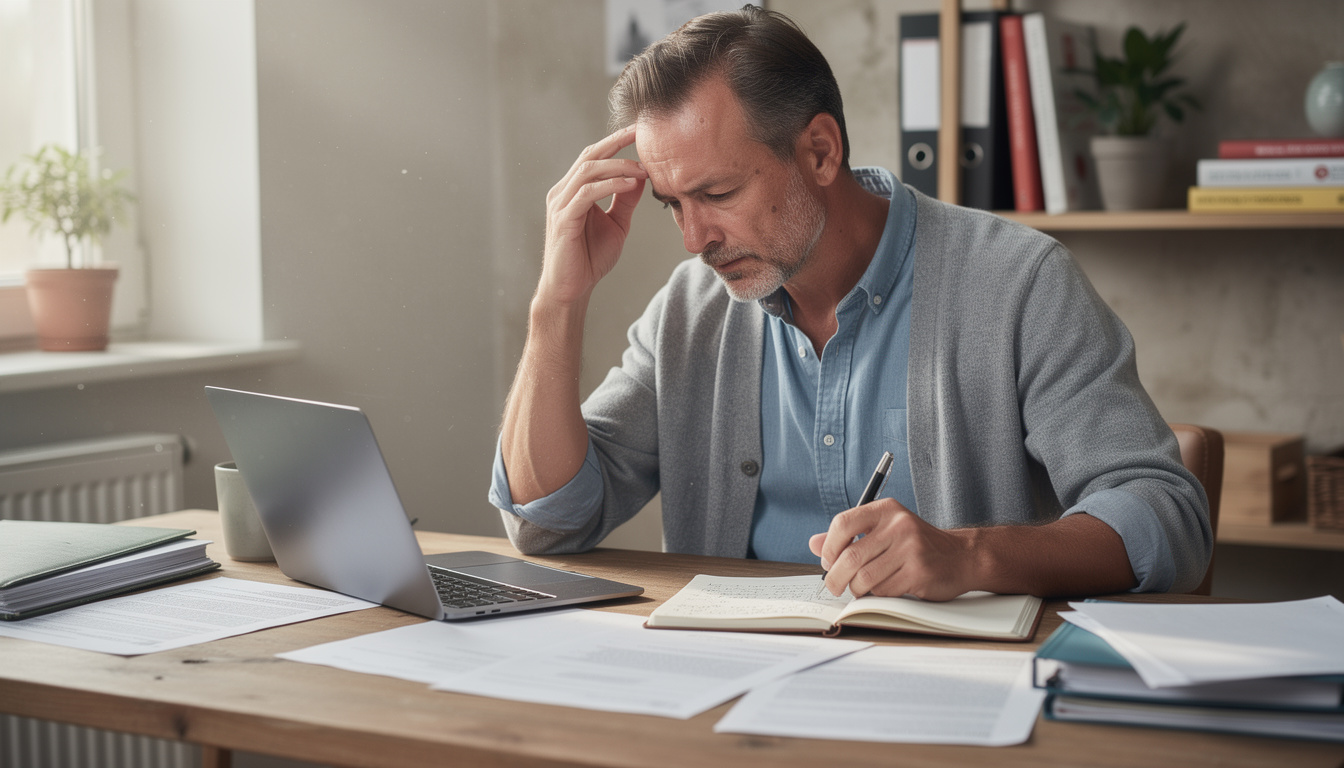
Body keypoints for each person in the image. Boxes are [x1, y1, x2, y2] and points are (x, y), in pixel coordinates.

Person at [489, 5, 1211, 600]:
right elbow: (550, 519)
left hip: (955, 695)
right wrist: (557, 302)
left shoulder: (1020, 283)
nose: (693, 240)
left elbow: (1166, 514)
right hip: (729, 693)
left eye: (717, 195)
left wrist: (969, 557)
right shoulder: (690, 311)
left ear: (821, 151)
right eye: (672, 204)